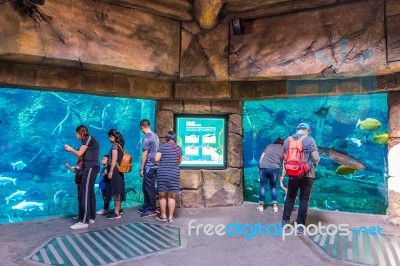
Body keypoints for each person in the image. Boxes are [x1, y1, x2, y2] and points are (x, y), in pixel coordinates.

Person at [281, 123, 320, 233]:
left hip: (292, 174)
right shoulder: (310, 140)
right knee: (304, 200)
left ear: (297, 129)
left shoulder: (287, 140)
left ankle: (285, 222)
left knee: (290, 197)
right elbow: (316, 158)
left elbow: (284, 158)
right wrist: (316, 163)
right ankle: (299, 226)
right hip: (308, 175)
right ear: (307, 130)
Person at [65, 125, 100, 230]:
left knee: (84, 192)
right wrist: (71, 150)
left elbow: (80, 153)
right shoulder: (87, 140)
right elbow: (80, 156)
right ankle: (91, 217)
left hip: (90, 167)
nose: (76, 136)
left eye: (76, 134)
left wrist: (71, 149)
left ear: (79, 133)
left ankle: (84, 221)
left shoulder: (88, 138)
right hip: (91, 167)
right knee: (89, 192)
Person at [154, 131, 182, 223]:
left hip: (162, 173)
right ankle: (170, 217)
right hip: (174, 173)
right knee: (172, 196)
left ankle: (163, 216)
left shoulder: (162, 147)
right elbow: (179, 162)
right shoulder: (178, 148)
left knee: (162, 196)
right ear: (174, 138)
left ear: (166, 138)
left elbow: (156, 159)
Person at [138, 119, 159, 217]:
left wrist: (142, 168)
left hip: (149, 167)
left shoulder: (146, 138)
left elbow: (144, 154)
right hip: (155, 166)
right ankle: (146, 206)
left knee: (149, 189)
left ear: (142, 127)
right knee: (145, 187)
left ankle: (152, 209)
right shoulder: (155, 136)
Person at [258, 137, 285, 213]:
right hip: (274, 169)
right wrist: (283, 174)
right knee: (273, 187)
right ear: (282, 143)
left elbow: (262, 156)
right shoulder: (283, 148)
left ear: (275, 142)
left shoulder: (269, 146)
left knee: (263, 187)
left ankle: (261, 206)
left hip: (263, 167)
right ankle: (275, 206)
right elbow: (284, 162)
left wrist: (259, 167)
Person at [105, 129, 126, 219]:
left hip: (115, 171)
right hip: (119, 171)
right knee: (119, 190)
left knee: (116, 191)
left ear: (113, 137)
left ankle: (116, 212)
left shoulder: (114, 146)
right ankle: (119, 209)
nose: (109, 138)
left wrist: (111, 171)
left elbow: (114, 160)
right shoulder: (120, 145)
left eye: (110, 136)